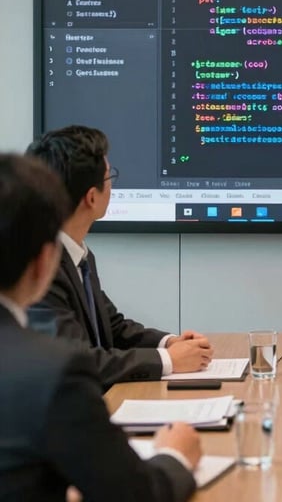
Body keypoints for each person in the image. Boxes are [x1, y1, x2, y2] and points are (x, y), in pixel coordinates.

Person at [0, 153, 200, 501]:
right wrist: (175, 455)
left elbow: (113, 323)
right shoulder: (54, 373)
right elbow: (136, 494)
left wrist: (167, 344)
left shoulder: (82, 259)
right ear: (44, 262)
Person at [27, 125, 212, 388]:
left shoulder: (77, 255)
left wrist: (169, 342)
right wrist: (167, 360)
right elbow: (75, 362)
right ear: (91, 197)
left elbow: (113, 327)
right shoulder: (39, 269)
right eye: (108, 176)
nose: (112, 185)